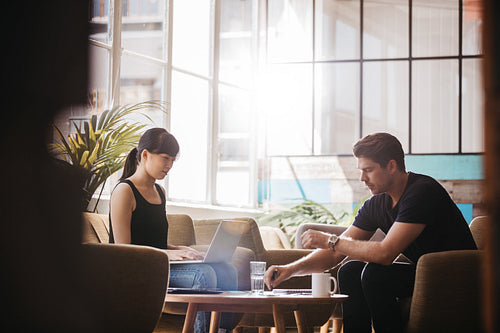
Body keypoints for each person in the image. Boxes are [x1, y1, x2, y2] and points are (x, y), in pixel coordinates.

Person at [263, 132, 477, 333]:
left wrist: (330, 240)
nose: (362, 179)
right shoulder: (376, 204)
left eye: (368, 170)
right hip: (423, 272)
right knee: (350, 270)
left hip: (456, 275)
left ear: (391, 166)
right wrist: (289, 270)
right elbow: (335, 253)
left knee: (375, 273)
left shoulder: (422, 192)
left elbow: (385, 254)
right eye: (360, 171)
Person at [109, 127, 237, 333]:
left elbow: (154, 240)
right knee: (203, 275)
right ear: (145, 155)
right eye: (165, 158)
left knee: (228, 270)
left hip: (160, 264)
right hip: (140, 270)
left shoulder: (160, 191)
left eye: (173, 160)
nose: (169, 165)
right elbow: (125, 250)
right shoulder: (125, 191)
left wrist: (182, 250)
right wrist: (170, 254)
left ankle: (221, 331)